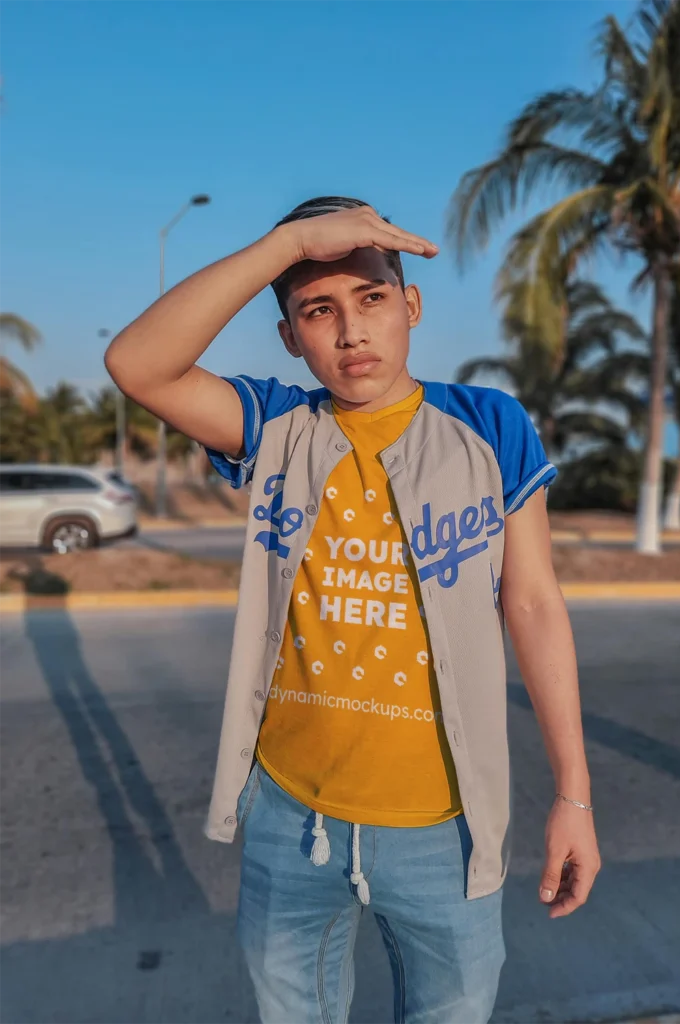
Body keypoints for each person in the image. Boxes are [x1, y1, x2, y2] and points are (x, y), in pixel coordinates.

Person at [105, 196, 601, 1024]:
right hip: (291, 820)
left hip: (446, 829)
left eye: (371, 299)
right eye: (318, 310)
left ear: (410, 306)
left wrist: (574, 796)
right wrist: (289, 244)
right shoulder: (275, 427)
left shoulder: (489, 426)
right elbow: (138, 365)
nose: (350, 332)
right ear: (291, 336)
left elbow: (535, 604)